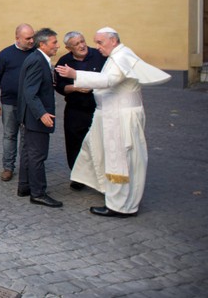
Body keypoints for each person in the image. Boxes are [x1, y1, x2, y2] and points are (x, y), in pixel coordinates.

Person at [56, 27, 170, 217]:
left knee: (120, 160)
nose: (96, 47)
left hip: (119, 117)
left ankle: (120, 206)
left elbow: (110, 80)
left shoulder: (121, 56)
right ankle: (110, 192)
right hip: (110, 115)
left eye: (100, 42)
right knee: (93, 148)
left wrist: (76, 75)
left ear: (113, 41)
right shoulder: (116, 55)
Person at [53, 31, 107, 190]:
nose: (82, 45)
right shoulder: (64, 62)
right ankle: (78, 176)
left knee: (99, 142)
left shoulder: (99, 56)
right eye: (76, 44)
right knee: (74, 143)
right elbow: (60, 86)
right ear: (69, 48)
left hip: (98, 107)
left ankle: (100, 177)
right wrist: (74, 88)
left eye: (82, 41)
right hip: (75, 109)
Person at [16, 28, 61, 207]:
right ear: (42, 44)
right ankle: (38, 193)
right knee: (37, 155)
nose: (57, 46)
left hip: (31, 116)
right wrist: (42, 114)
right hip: (36, 117)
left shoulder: (37, 58)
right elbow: (30, 92)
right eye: (54, 42)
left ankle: (25, 186)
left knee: (29, 153)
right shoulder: (37, 60)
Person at [0, 23, 35, 181]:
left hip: (29, 104)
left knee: (26, 137)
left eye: (32, 37)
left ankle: (26, 167)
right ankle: (8, 167)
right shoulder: (5, 54)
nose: (31, 41)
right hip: (9, 103)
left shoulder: (36, 54)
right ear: (17, 38)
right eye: (27, 38)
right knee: (9, 135)